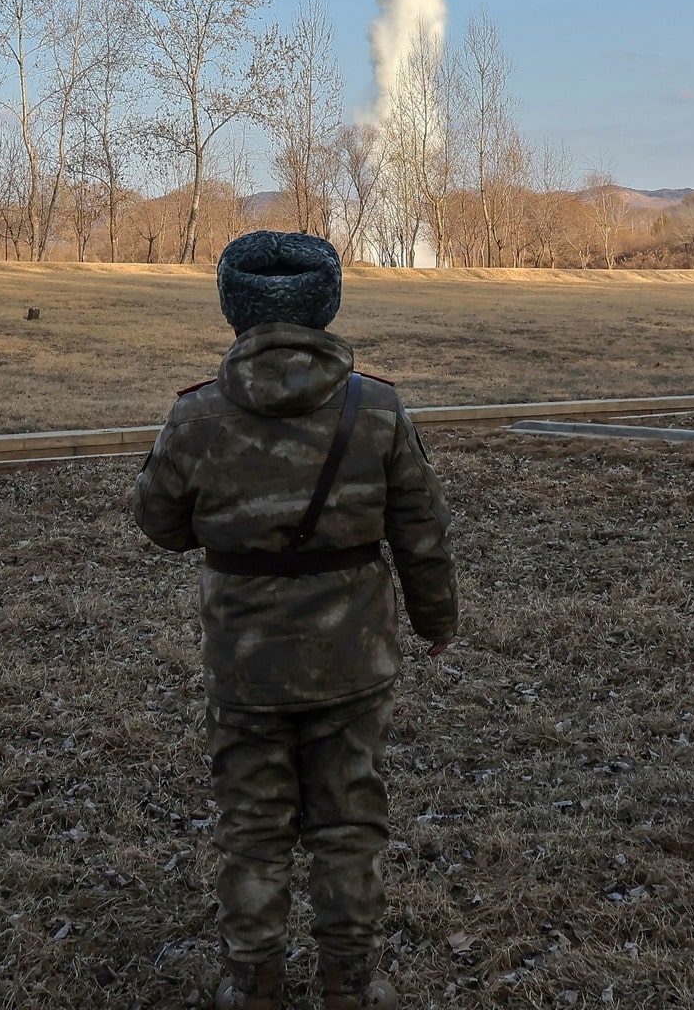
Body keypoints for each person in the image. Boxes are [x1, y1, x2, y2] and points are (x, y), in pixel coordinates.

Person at [135, 231, 460, 1010]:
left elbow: (160, 524)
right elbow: (422, 530)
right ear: (329, 302)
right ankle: (350, 981)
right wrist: (434, 620)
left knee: (253, 828)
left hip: (245, 664)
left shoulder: (196, 416)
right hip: (354, 658)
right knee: (350, 820)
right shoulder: (376, 408)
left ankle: (254, 985)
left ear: (231, 306)